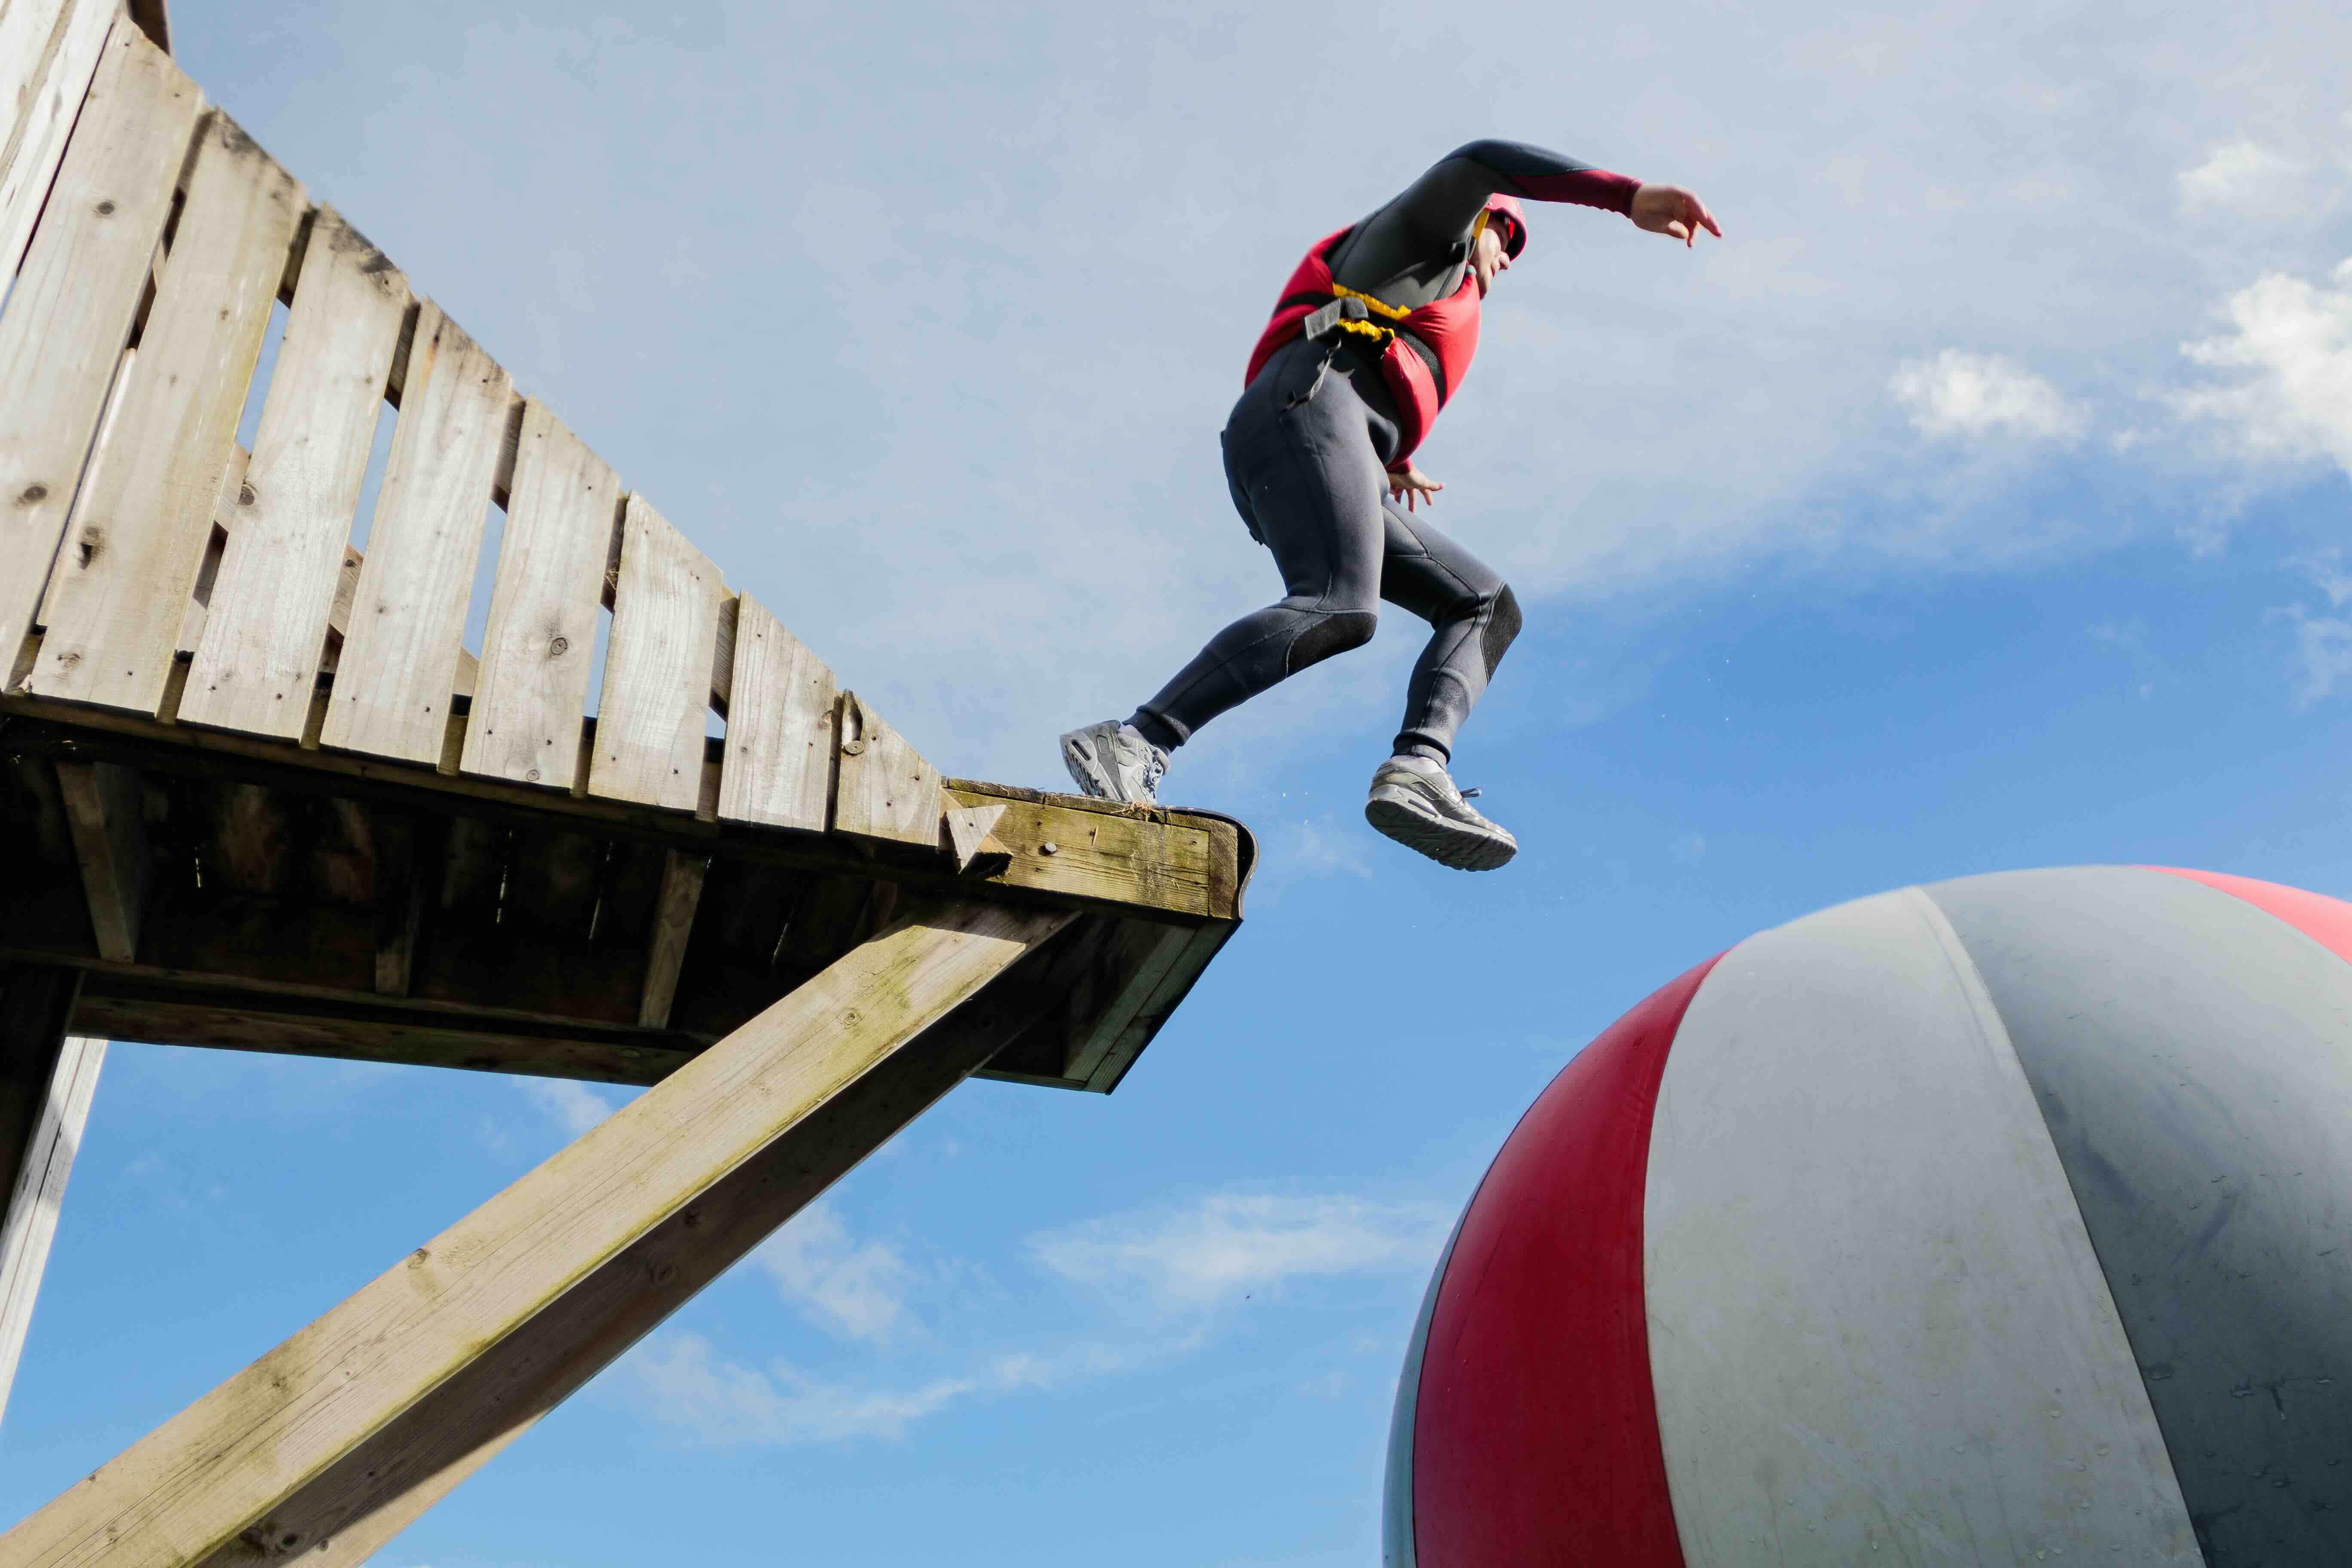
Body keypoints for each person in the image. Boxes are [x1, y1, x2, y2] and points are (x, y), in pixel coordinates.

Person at [1060, 141, 1718, 870]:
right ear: (1480, 222)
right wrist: (1623, 197)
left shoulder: (1429, 290)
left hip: (1332, 438)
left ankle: (1419, 771)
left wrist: (1390, 460)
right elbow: (1484, 159)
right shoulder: (1425, 234)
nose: (1505, 262)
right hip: (1299, 413)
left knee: (1485, 604)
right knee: (1342, 606)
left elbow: (1384, 359)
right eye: (1507, 239)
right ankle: (1135, 739)